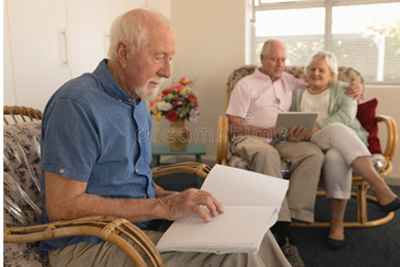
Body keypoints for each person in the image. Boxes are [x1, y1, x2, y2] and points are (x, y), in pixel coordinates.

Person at [37, 9, 292, 267]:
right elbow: (63, 206)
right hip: (86, 244)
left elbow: (129, 180)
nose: (167, 71)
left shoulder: (136, 100)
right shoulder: (76, 105)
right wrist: (162, 208)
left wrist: (170, 197)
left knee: (252, 235)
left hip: (134, 226)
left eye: (170, 58)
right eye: (159, 57)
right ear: (123, 53)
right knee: (237, 255)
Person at [226, 39, 363, 267]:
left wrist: (359, 89)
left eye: (283, 60)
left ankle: (296, 215)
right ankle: (282, 229)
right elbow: (234, 122)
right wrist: (264, 130)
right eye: (274, 59)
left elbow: (322, 84)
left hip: (282, 139)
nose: (280, 64)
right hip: (250, 137)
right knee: (267, 155)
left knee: (313, 154)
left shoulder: (290, 81)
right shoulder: (246, 84)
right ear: (262, 59)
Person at [290, 50, 400, 249]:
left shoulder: (344, 89)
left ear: (331, 74)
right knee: (335, 129)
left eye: (321, 70)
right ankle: (379, 186)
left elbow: (347, 116)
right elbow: (292, 118)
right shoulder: (298, 93)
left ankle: (337, 223)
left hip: (342, 144)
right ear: (306, 72)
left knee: (334, 155)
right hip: (310, 142)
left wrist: (319, 126)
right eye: (312, 69)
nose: (316, 73)